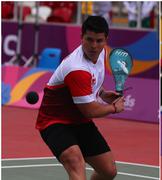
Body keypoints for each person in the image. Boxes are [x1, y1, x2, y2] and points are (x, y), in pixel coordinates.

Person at [36, 16, 125, 180]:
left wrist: (103, 93)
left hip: (79, 122)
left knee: (108, 171)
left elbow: (91, 82)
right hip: (55, 122)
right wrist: (113, 108)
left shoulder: (102, 53)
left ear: (106, 39)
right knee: (76, 162)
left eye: (99, 41)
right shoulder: (76, 68)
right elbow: (89, 110)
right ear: (81, 37)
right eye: (89, 39)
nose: (93, 46)